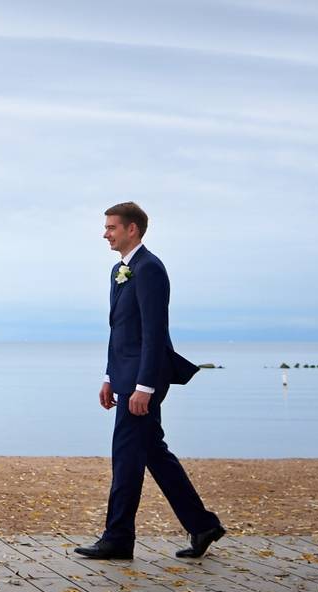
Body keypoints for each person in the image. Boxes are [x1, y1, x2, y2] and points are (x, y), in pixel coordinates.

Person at [75, 202, 225, 560]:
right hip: (125, 376)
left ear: (132, 230)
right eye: (106, 227)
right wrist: (109, 376)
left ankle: (118, 538)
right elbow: (120, 331)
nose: (105, 233)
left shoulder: (150, 269)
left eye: (112, 227)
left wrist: (144, 387)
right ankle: (202, 525)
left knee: (126, 457)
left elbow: (155, 333)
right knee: (153, 453)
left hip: (144, 380)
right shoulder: (119, 270)